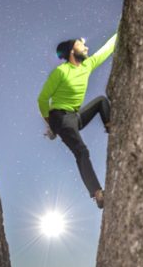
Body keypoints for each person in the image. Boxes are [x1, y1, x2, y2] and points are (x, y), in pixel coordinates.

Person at [38, 33, 117, 208]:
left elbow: (106, 49)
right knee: (81, 151)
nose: (87, 48)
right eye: (82, 45)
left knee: (102, 102)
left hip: (75, 116)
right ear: (72, 51)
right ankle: (97, 194)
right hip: (59, 117)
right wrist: (50, 124)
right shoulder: (61, 72)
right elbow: (42, 99)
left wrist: (120, 28)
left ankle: (112, 128)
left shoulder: (87, 65)